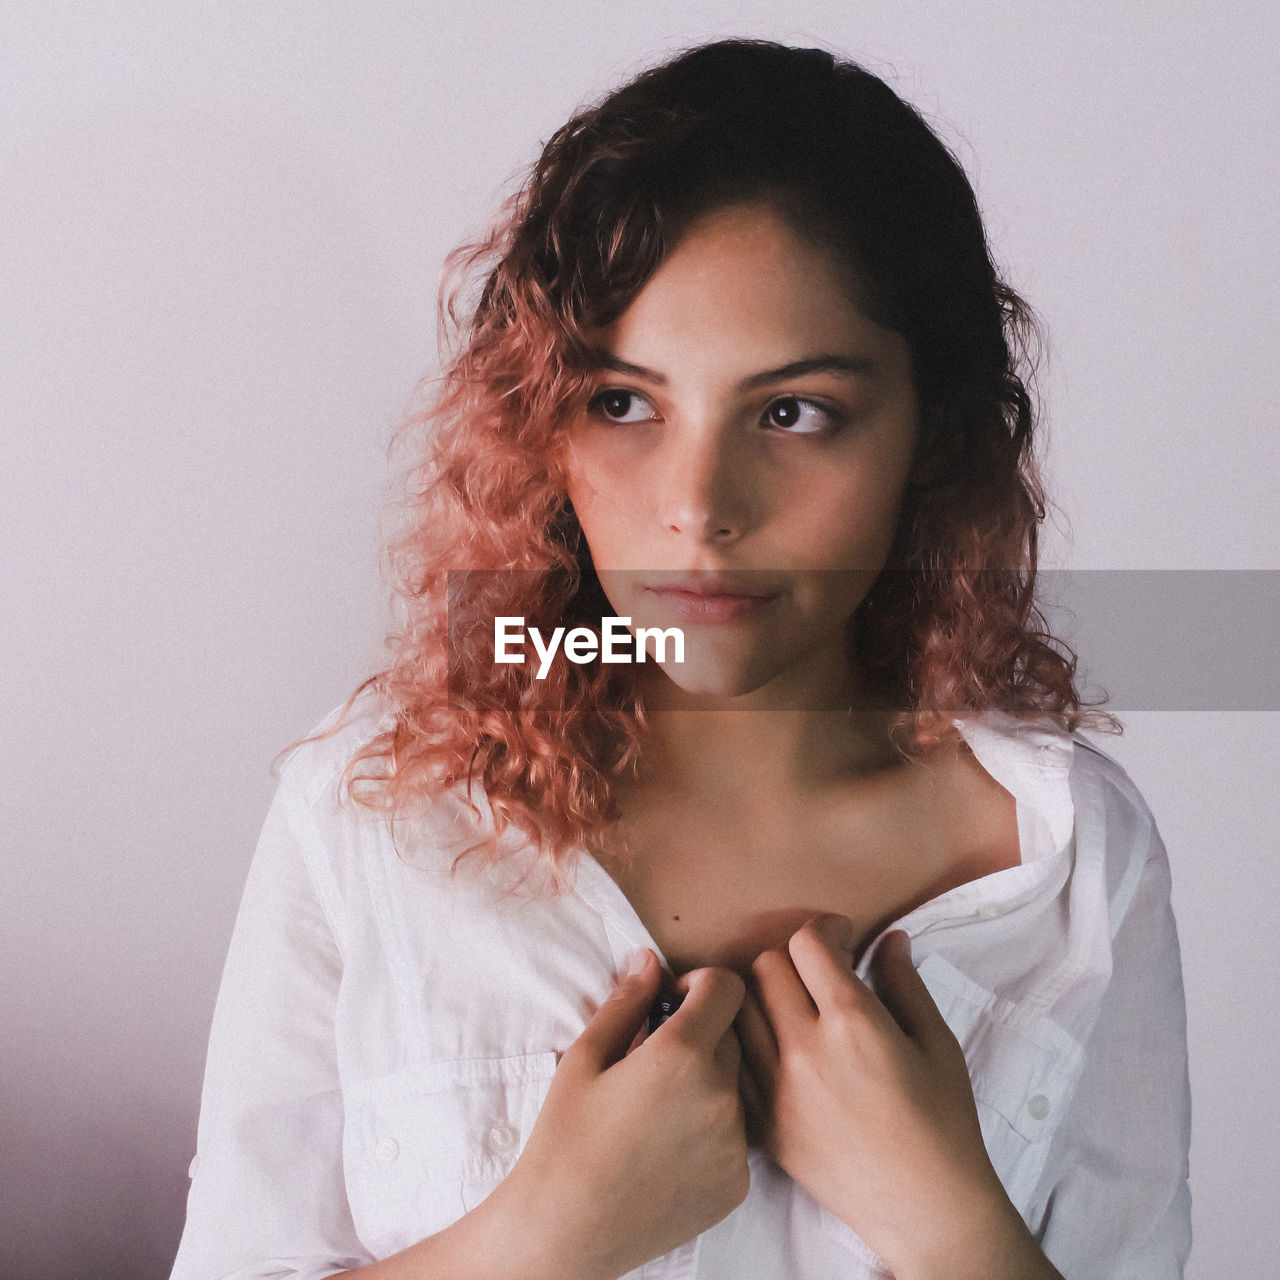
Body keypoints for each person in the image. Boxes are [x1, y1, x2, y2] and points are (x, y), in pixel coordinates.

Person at [170, 39, 1191, 1280]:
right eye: (622, 403)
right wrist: (539, 1240)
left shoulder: (1071, 856)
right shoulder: (374, 809)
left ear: (934, 435)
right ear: (539, 418)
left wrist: (946, 1224)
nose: (697, 507)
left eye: (791, 412)